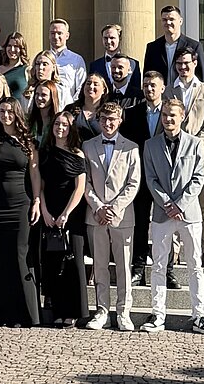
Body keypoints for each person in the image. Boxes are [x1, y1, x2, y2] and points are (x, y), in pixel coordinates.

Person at [140, 98, 204, 335]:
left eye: (172, 115)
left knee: (194, 264)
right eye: (164, 115)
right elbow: (150, 179)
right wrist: (166, 203)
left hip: (189, 213)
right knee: (159, 265)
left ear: (182, 117)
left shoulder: (195, 144)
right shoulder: (150, 145)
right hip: (162, 213)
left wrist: (180, 204)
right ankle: (158, 313)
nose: (168, 119)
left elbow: (198, 178)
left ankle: (199, 315)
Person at [0, 98, 41, 328]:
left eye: (9, 111)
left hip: (21, 204)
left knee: (19, 255)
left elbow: (34, 175)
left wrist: (36, 201)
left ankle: (25, 314)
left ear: (17, 114)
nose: (5, 115)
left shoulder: (27, 141)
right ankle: (1, 313)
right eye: (2, 111)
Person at [83, 102, 141, 332]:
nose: (108, 123)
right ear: (98, 120)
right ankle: (102, 310)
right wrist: (98, 207)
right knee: (100, 265)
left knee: (123, 266)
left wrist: (114, 208)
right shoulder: (87, 146)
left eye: (113, 119)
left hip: (122, 216)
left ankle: (124, 311)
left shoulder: (131, 148)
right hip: (95, 215)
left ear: (120, 121)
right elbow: (84, 181)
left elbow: (133, 183)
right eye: (104, 119)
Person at [171, 48, 204, 268]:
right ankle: (174, 252)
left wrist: (197, 142)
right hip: (175, 155)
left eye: (186, 63)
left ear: (195, 63)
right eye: (179, 64)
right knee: (173, 203)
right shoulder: (169, 91)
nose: (183, 67)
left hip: (201, 155)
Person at [37, 109, 87, 329]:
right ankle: (57, 310)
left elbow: (80, 187)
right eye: (57, 124)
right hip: (50, 212)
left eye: (65, 125)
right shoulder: (45, 152)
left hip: (72, 214)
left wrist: (67, 212)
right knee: (53, 264)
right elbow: (41, 186)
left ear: (71, 128)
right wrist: (46, 211)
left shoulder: (78, 153)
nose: (60, 128)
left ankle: (74, 312)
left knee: (73, 264)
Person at [121, 71, 169, 287]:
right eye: (146, 85)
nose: (149, 89)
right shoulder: (132, 113)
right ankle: (138, 267)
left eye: (153, 86)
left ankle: (167, 270)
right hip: (140, 176)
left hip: (164, 178)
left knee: (165, 225)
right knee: (140, 224)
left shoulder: (170, 113)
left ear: (163, 88)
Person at [142, 4, 204, 85]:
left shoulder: (194, 46)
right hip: (161, 95)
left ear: (180, 21)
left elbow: (202, 76)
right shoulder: (153, 47)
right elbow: (147, 75)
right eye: (164, 20)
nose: (168, 22)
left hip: (185, 94)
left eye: (171, 19)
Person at [48, 19, 87, 113]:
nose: (56, 36)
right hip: (46, 109)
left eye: (59, 33)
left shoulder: (76, 59)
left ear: (67, 35)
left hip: (68, 110)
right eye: (52, 33)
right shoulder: (43, 58)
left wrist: (72, 106)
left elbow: (81, 87)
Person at [72, 72, 108, 141]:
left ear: (104, 90)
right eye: (88, 83)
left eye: (96, 84)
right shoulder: (71, 109)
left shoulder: (107, 112)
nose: (91, 86)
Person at [0, 31, 29, 99]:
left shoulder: (27, 70)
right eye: (9, 46)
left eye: (16, 46)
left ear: (21, 49)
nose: (12, 49)